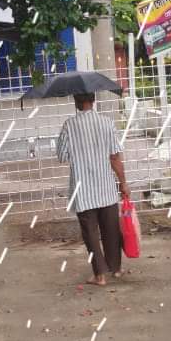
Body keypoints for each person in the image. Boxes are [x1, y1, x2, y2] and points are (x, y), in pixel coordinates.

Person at [56, 92, 130, 286]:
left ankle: (100, 275)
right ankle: (116, 269)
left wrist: (78, 150)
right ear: (94, 100)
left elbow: (62, 156)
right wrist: (123, 182)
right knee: (111, 230)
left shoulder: (69, 126)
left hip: (83, 190)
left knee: (90, 233)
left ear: (76, 102)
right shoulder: (107, 123)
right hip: (106, 187)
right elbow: (115, 157)